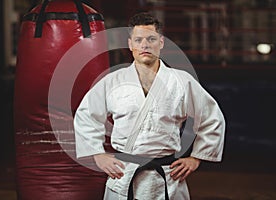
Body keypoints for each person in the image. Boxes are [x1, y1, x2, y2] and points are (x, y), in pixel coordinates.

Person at [74, 12, 225, 200]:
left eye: (151, 39)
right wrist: (97, 154)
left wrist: (196, 158)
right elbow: (86, 116)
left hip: (167, 177)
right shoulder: (112, 81)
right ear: (130, 44)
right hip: (124, 175)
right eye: (138, 40)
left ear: (161, 42)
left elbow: (211, 117)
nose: (144, 45)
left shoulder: (182, 81)